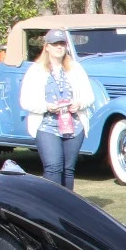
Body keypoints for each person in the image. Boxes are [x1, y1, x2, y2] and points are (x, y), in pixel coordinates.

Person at [20, 29, 95, 191]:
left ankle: (68, 208)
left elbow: (89, 96)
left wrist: (78, 104)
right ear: (47, 47)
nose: (59, 48)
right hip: (46, 125)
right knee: (53, 166)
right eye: (55, 44)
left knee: (68, 169)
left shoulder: (75, 69)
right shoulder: (36, 70)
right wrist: (46, 106)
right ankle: (50, 207)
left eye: (62, 44)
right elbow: (25, 101)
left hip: (74, 125)